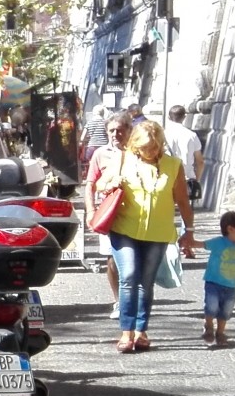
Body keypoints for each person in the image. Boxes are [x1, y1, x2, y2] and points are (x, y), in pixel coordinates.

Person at [109, 118, 197, 353]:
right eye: (145, 147)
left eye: (154, 147)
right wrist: (111, 182)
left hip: (158, 232)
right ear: (135, 144)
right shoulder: (122, 159)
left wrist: (189, 231)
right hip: (124, 228)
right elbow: (99, 184)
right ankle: (126, 331)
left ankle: (141, 330)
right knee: (128, 275)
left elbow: (182, 201)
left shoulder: (173, 165)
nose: (150, 152)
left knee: (145, 282)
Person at [84, 110, 135, 318]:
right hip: (109, 213)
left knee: (134, 258)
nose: (115, 134)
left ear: (129, 131)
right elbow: (90, 185)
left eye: (119, 130)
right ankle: (118, 301)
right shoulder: (100, 154)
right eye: (111, 130)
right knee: (111, 257)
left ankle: (133, 298)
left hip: (134, 213)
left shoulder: (137, 152)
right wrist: (90, 211)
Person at [200, 211, 235, 348]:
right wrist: (187, 242)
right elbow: (201, 245)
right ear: (230, 228)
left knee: (226, 310)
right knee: (211, 306)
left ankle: (220, 332)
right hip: (213, 282)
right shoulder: (218, 242)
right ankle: (208, 325)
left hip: (231, 285)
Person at [164, 105, 204, 200]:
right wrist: (196, 179)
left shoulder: (162, 134)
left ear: (168, 117)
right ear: (184, 117)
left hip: (166, 177)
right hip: (187, 177)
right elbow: (200, 162)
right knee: (184, 207)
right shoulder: (192, 136)